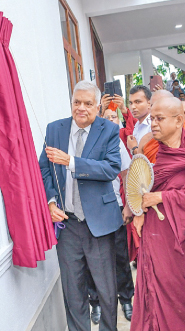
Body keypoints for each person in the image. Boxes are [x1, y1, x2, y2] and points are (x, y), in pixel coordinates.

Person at [39, 80, 122, 331]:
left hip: (98, 223)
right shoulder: (55, 130)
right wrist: (50, 201)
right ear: (71, 103)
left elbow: (111, 168)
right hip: (68, 223)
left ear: (98, 106)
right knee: (72, 290)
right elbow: (43, 167)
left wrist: (73, 162)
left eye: (88, 103)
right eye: (77, 102)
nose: (82, 108)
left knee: (106, 290)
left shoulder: (108, 130)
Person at [130, 97, 185, 331]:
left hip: (184, 245)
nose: (154, 124)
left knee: (183, 302)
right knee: (154, 297)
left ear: (179, 120)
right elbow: (140, 189)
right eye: (152, 119)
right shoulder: (154, 152)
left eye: (159, 119)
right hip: (155, 240)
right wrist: (139, 210)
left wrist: (163, 197)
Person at [86, 108, 135, 324]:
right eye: (104, 117)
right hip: (89, 210)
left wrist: (127, 206)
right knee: (91, 261)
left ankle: (125, 299)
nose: (108, 121)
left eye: (112, 117)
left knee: (120, 257)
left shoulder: (115, 141)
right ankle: (95, 302)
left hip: (114, 207)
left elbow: (126, 174)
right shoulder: (85, 141)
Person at [141, 90, 185, 163]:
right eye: (153, 105)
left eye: (160, 118)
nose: (153, 124)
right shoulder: (146, 141)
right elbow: (141, 171)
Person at [126, 85, 152, 156]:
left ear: (149, 104)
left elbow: (151, 157)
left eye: (137, 102)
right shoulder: (137, 124)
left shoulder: (153, 125)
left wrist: (133, 148)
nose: (133, 107)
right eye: (131, 103)